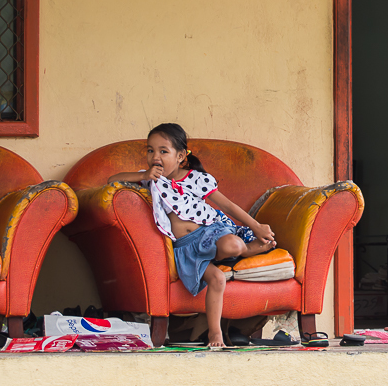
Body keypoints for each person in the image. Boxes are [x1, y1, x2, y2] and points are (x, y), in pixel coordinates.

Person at [108, 123, 277, 347]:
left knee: (233, 245)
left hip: (209, 232)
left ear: (180, 156)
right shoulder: (150, 178)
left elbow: (228, 205)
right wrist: (145, 175)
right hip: (186, 247)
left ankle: (247, 248)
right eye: (150, 150)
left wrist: (256, 226)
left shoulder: (196, 178)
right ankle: (214, 334)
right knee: (217, 278)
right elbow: (112, 181)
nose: (155, 157)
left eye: (163, 151)